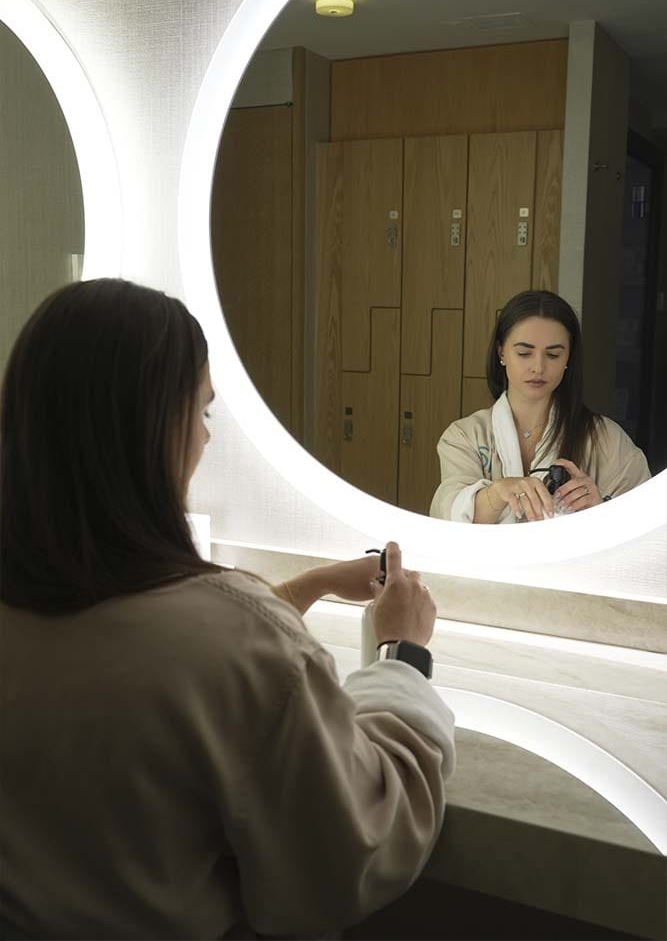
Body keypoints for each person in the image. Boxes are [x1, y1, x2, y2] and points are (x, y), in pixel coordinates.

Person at [0, 278, 455, 941]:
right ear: (157, 425)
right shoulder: (235, 641)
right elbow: (359, 846)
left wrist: (308, 586)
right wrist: (401, 654)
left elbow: (171, 649)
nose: (206, 440)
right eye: (203, 411)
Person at [430, 290, 650, 524]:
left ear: (568, 359)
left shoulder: (606, 440)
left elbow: (647, 521)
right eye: (524, 353)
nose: (538, 367)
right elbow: (449, 518)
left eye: (553, 355)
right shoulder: (465, 436)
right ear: (501, 352)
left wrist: (600, 508)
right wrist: (496, 493)